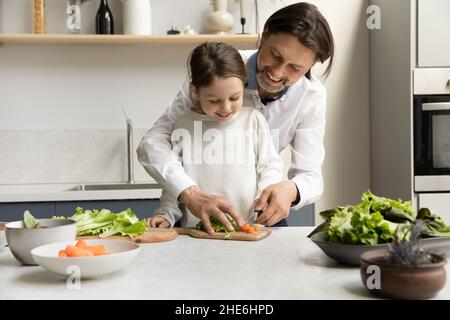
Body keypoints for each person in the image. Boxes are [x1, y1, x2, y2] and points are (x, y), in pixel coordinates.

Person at [137, 2, 334, 233]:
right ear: (265, 35)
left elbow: (309, 175)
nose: (278, 72)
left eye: (295, 68)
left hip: (256, 218)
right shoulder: (219, 70)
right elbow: (153, 143)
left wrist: (290, 189)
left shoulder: (311, 96)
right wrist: (188, 194)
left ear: (311, 65)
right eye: (276, 55)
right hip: (200, 220)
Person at [148, 42, 283, 230]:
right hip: (201, 230)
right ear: (195, 91)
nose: (226, 108)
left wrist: (265, 201)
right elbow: (174, 178)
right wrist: (166, 213)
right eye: (214, 100)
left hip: (247, 227)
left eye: (234, 97)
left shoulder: (253, 120)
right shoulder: (184, 124)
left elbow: (270, 166)